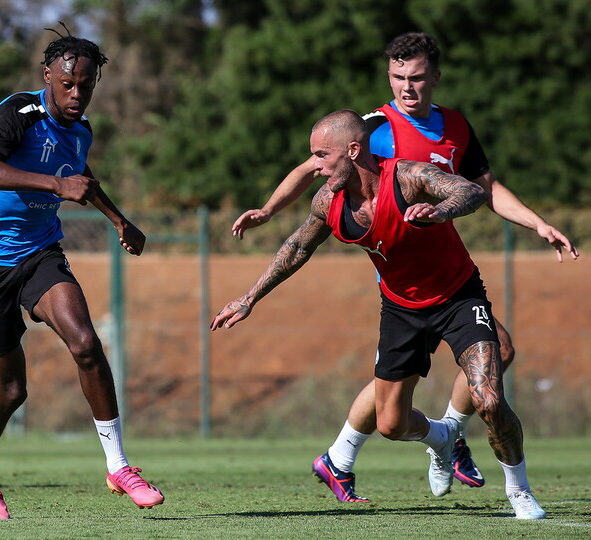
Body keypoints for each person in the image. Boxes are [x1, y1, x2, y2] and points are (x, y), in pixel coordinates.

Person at [231, 32, 578, 503]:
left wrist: (537, 223)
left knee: (496, 357)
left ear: (435, 76)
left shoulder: (455, 127)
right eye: (397, 77)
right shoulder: (372, 127)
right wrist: (269, 211)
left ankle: (434, 443)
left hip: (448, 277)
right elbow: (314, 167)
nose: (406, 87)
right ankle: (406, 445)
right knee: (393, 408)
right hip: (398, 281)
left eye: (415, 77)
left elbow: (483, 188)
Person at [0, 26, 162, 520]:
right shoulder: (20, 113)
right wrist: (53, 184)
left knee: (86, 344)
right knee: (10, 391)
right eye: (67, 84)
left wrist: (120, 221)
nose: (76, 95)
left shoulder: (80, 130)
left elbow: (80, 180)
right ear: (47, 75)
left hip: (39, 253)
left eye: (85, 86)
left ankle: (118, 466)